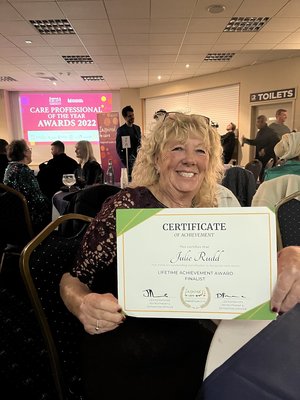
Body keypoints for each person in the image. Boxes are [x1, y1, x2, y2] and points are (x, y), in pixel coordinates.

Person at [60, 113, 241, 400]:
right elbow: (72, 279)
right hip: (129, 348)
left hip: (193, 340)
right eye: (177, 148)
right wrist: (82, 303)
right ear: (156, 159)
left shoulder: (209, 211)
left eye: (200, 150)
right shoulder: (127, 207)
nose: (190, 159)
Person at [4, 139, 51, 233]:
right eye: (29, 149)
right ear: (24, 152)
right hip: (30, 217)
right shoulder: (23, 170)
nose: (30, 152)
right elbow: (38, 200)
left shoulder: (9, 168)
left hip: (14, 217)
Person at [241, 115, 280, 182]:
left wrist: (265, 149)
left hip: (268, 159)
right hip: (260, 159)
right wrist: (246, 140)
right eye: (257, 122)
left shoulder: (270, 132)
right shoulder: (260, 132)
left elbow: (276, 142)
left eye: (258, 122)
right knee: (261, 176)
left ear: (262, 122)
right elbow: (257, 142)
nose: (256, 124)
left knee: (266, 178)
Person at [116, 105, 141, 181]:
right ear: (125, 117)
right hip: (128, 161)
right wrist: (125, 161)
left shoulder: (137, 128)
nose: (132, 117)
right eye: (130, 116)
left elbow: (141, 142)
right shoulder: (121, 130)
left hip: (139, 159)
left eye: (133, 115)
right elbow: (118, 148)